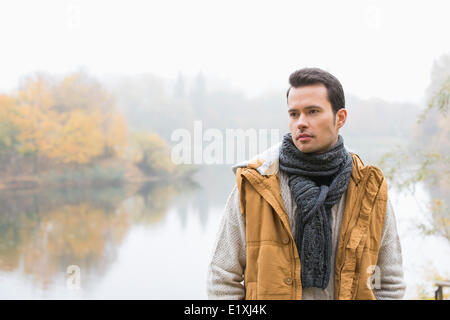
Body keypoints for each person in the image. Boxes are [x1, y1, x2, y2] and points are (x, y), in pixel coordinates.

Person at [206, 67, 406, 300]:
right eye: (294, 114)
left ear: (340, 118)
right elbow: (222, 278)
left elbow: (390, 283)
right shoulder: (255, 184)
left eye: (312, 111)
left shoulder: (369, 188)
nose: (301, 123)